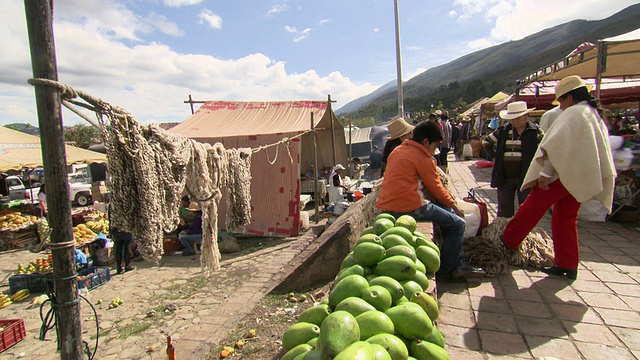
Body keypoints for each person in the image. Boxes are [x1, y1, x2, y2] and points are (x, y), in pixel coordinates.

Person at [501, 75, 616, 280]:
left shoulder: (574, 113)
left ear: (569, 98)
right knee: (565, 217)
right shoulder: (592, 114)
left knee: (531, 207)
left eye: (561, 100)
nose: (560, 106)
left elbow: (558, 146)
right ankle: (567, 263)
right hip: (578, 175)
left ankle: (506, 243)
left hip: (561, 174)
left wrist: (545, 173)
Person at [376, 120, 485, 282]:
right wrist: (455, 206)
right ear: (425, 142)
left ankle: (454, 259)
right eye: (434, 146)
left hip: (387, 204)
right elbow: (437, 189)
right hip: (411, 206)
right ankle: (450, 268)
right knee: (458, 224)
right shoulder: (422, 157)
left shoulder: (398, 151)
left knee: (447, 213)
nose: (435, 150)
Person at [483, 101, 544, 217]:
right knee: (504, 208)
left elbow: (544, 150)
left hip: (526, 176)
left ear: (526, 116)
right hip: (505, 176)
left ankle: (524, 232)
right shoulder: (503, 131)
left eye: (517, 118)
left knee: (526, 208)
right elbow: (486, 142)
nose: (514, 122)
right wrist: (494, 156)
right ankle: (504, 231)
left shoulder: (535, 132)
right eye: (512, 119)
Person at [108, 203, 136, 274]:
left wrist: (111, 229)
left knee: (118, 247)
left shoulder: (112, 204)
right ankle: (127, 265)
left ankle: (119, 267)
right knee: (127, 246)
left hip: (116, 228)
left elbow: (110, 217)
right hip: (126, 227)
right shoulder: (127, 202)